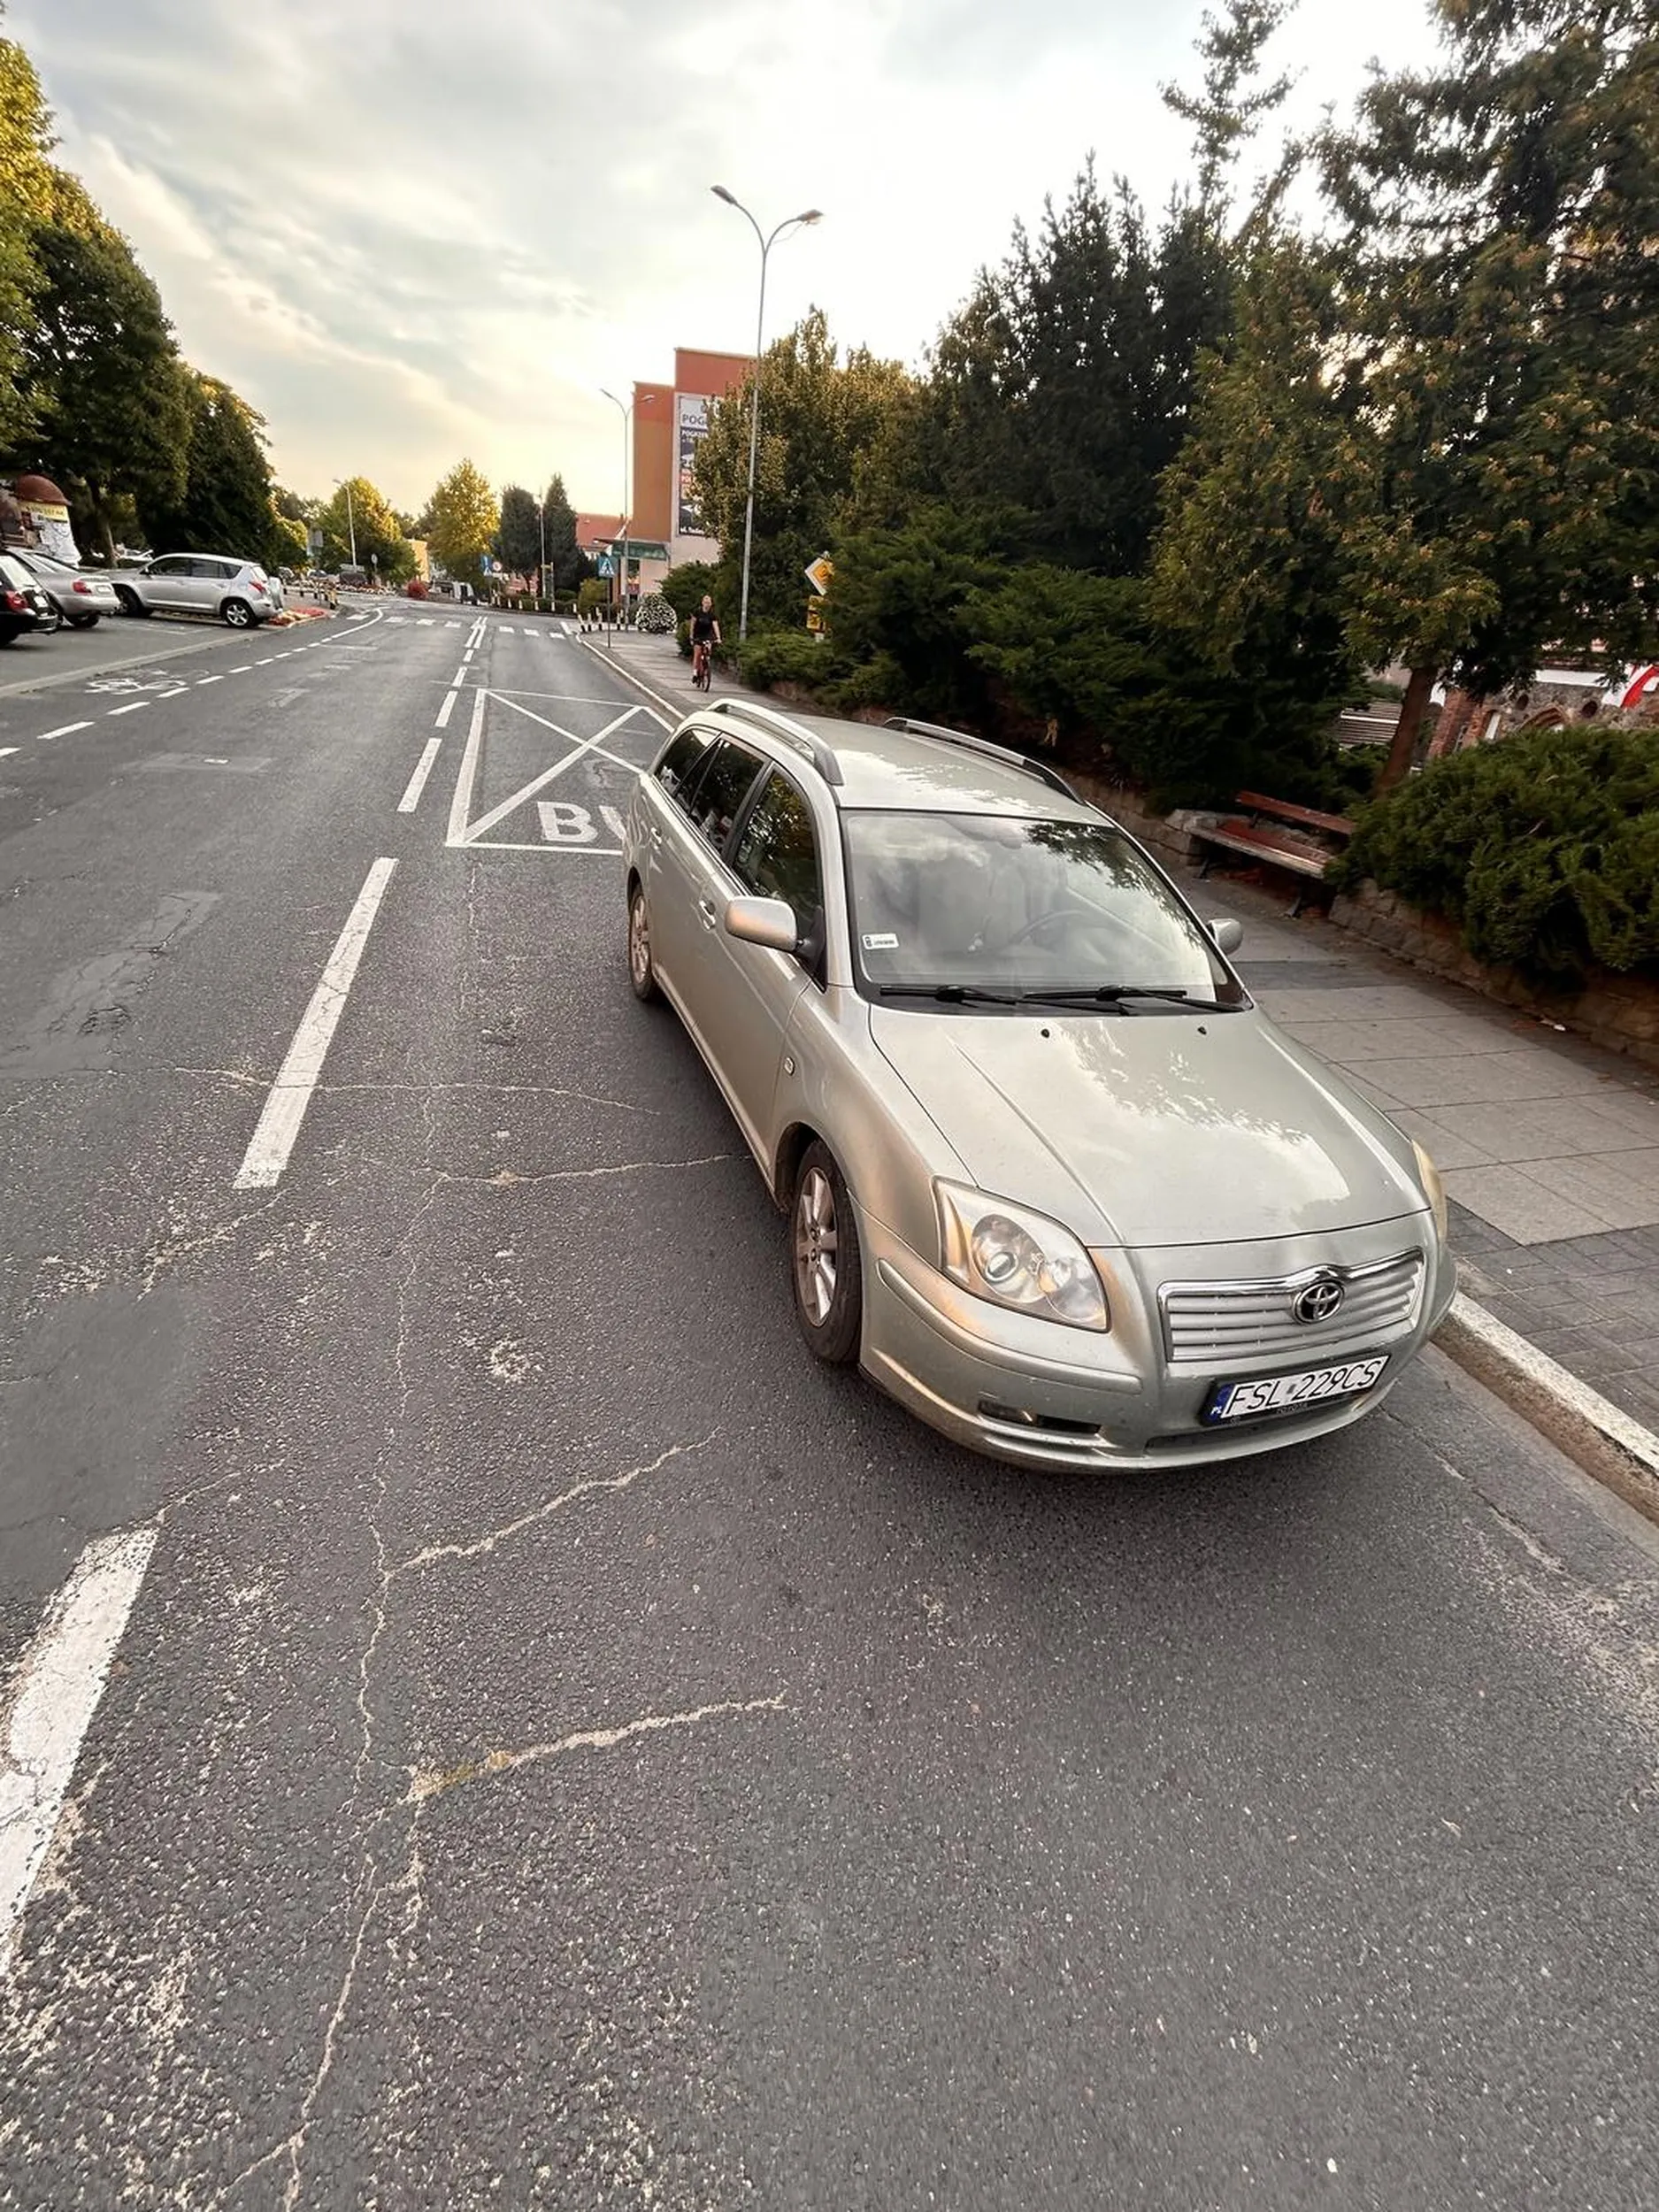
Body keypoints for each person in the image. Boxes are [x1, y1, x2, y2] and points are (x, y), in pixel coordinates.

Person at [690, 595, 721, 689]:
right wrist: (691, 636)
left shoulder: (712, 615)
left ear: (711, 604)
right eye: (705, 602)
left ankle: (706, 664)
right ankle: (695, 673)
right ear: (702, 603)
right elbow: (693, 624)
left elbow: (715, 626)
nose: (707, 604)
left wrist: (718, 637)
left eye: (709, 603)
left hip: (707, 635)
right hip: (698, 636)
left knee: (708, 650)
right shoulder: (698, 612)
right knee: (697, 654)